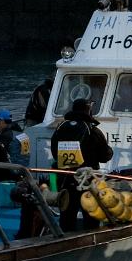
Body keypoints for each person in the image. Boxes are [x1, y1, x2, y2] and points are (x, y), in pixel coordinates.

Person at [50, 98, 114, 231]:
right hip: (87, 180)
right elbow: (104, 156)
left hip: (65, 178)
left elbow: (54, 152)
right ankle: (91, 241)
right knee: (91, 214)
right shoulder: (92, 130)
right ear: (88, 110)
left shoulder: (61, 127)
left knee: (67, 215)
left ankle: (65, 241)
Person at [0, 108, 31, 206]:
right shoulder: (21, 133)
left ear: (2, 122)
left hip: (12, 172)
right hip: (24, 169)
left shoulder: (4, 136)